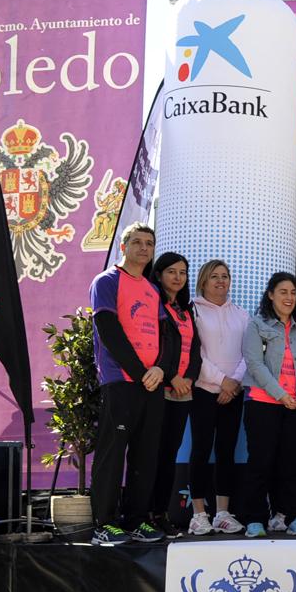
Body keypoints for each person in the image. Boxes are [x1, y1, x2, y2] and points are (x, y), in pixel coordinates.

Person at [87, 223, 167, 545]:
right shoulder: (106, 281)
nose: (144, 248)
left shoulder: (152, 289)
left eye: (149, 243)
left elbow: (165, 337)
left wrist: (159, 369)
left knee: (145, 456)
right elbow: (108, 329)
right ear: (124, 247)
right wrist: (139, 371)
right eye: (137, 242)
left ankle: (136, 520)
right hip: (121, 380)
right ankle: (104, 524)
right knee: (112, 452)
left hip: (151, 383)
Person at [237, 272, 296, 538]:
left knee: (292, 463)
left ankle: (291, 516)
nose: (289, 298)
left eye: (293, 293)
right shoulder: (257, 325)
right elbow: (254, 364)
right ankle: (255, 519)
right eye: (283, 292)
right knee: (261, 462)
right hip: (263, 403)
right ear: (270, 294)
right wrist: (281, 394)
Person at [187, 259, 248, 535]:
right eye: (214, 276)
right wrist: (222, 381)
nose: (221, 281)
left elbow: (250, 353)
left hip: (233, 394)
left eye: (225, 276)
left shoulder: (242, 314)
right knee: (200, 450)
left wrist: (233, 383)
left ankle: (223, 512)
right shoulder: (193, 311)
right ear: (203, 281)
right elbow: (194, 354)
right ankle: (199, 514)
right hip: (203, 391)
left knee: (226, 451)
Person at [148, 252, 201, 540]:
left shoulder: (185, 310)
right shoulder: (153, 305)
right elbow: (156, 347)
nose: (178, 277)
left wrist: (189, 379)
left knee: (168, 455)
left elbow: (195, 351)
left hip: (183, 393)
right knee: (151, 455)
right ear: (158, 274)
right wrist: (172, 377)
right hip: (158, 390)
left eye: (182, 272)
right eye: (172, 271)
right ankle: (143, 514)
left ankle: (161, 513)